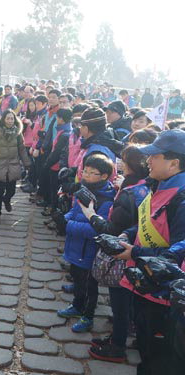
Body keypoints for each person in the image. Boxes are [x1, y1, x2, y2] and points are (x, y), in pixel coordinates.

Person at [116, 129, 185, 375]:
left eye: (155, 156)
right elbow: (153, 220)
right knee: (145, 348)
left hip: (162, 295)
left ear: (174, 163)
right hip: (145, 283)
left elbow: (177, 253)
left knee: (156, 360)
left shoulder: (181, 198)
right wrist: (129, 233)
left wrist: (135, 252)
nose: (148, 161)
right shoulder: (159, 185)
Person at [79, 146, 150, 362]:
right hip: (135, 250)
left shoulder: (130, 193)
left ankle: (117, 346)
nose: (119, 162)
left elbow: (111, 230)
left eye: (123, 160)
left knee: (120, 303)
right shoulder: (141, 187)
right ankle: (118, 337)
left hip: (124, 254)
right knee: (124, 304)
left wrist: (91, 215)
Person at [57, 154, 116, 332]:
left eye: (92, 173)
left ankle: (88, 316)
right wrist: (64, 217)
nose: (86, 175)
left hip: (89, 251)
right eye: (85, 171)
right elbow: (75, 212)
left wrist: (68, 224)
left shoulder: (106, 199)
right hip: (75, 246)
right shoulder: (84, 189)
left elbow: (96, 229)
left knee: (90, 286)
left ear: (104, 176)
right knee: (77, 279)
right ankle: (77, 305)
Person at [0, 109, 31, 224]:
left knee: (11, 190)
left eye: (12, 118)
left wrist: (27, 163)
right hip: (0, 165)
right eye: (7, 118)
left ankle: (7, 199)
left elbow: (22, 149)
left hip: (13, 165)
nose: (10, 121)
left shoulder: (18, 134)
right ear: (3, 119)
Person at [42, 108, 73, 215]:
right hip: (56, 166)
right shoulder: (64, 131)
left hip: (56, 167)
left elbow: (56, 152)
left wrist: (46, 164)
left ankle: (53, 211)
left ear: (61, 119)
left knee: (54, 190)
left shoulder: (64, 134)